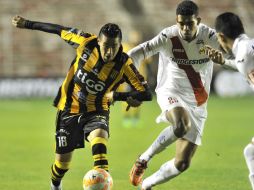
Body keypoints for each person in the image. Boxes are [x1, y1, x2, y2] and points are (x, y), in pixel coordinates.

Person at [12, 15, 152, 190]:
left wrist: (118, 96)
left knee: (100, 144)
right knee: (62, 165)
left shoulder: (124, 63)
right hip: (69, 108)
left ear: (120, 45)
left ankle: (100, 183)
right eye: (106, 46)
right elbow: (58, 29)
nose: (109, 52)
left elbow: (146, 93)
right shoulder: (85, 42)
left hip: (97, 109)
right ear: (99, 42)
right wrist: (28, 24)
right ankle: (55, 185)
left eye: (114, 47)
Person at [127, 1, 221, 189]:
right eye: (181, 23)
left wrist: (225, 59)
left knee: (182, 163)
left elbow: (234, 54)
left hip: (198, 102)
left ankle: (147, 184)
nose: (185, 28)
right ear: (176, 21)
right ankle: (144, 159)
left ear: (199, 21)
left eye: (190, 23)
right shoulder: (168, 36)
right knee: (180, 125)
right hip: (171, 91)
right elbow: (135, 54)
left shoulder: (210, 36)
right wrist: (134, 83)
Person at [202, 12, 254, 190]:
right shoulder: (247, 47)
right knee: (251, 152)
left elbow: (242, 63)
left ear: (221, 36)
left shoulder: (243, 56)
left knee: (251, 153)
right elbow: (241, 64)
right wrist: (223, 60)